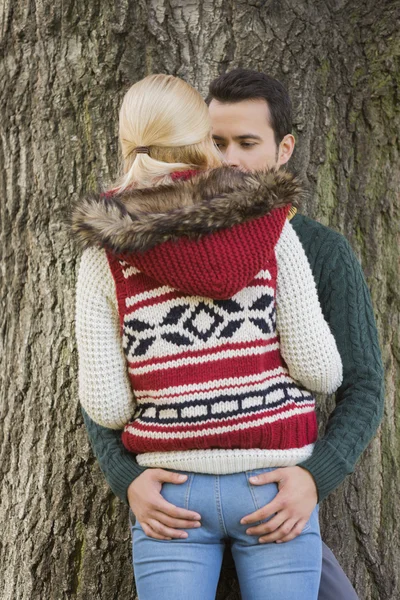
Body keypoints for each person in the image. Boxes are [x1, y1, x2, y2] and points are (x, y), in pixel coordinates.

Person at [74, 70, 384, 600]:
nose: (230, 160)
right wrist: (127, 476)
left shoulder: (318, 248)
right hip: (174, 491)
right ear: (195, 146)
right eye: (216, 143)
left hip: (280, 486)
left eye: (247, 143)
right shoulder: (128, 247)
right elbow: (104, 388)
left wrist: (315, 477)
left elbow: (361, 385)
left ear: (284, 149)